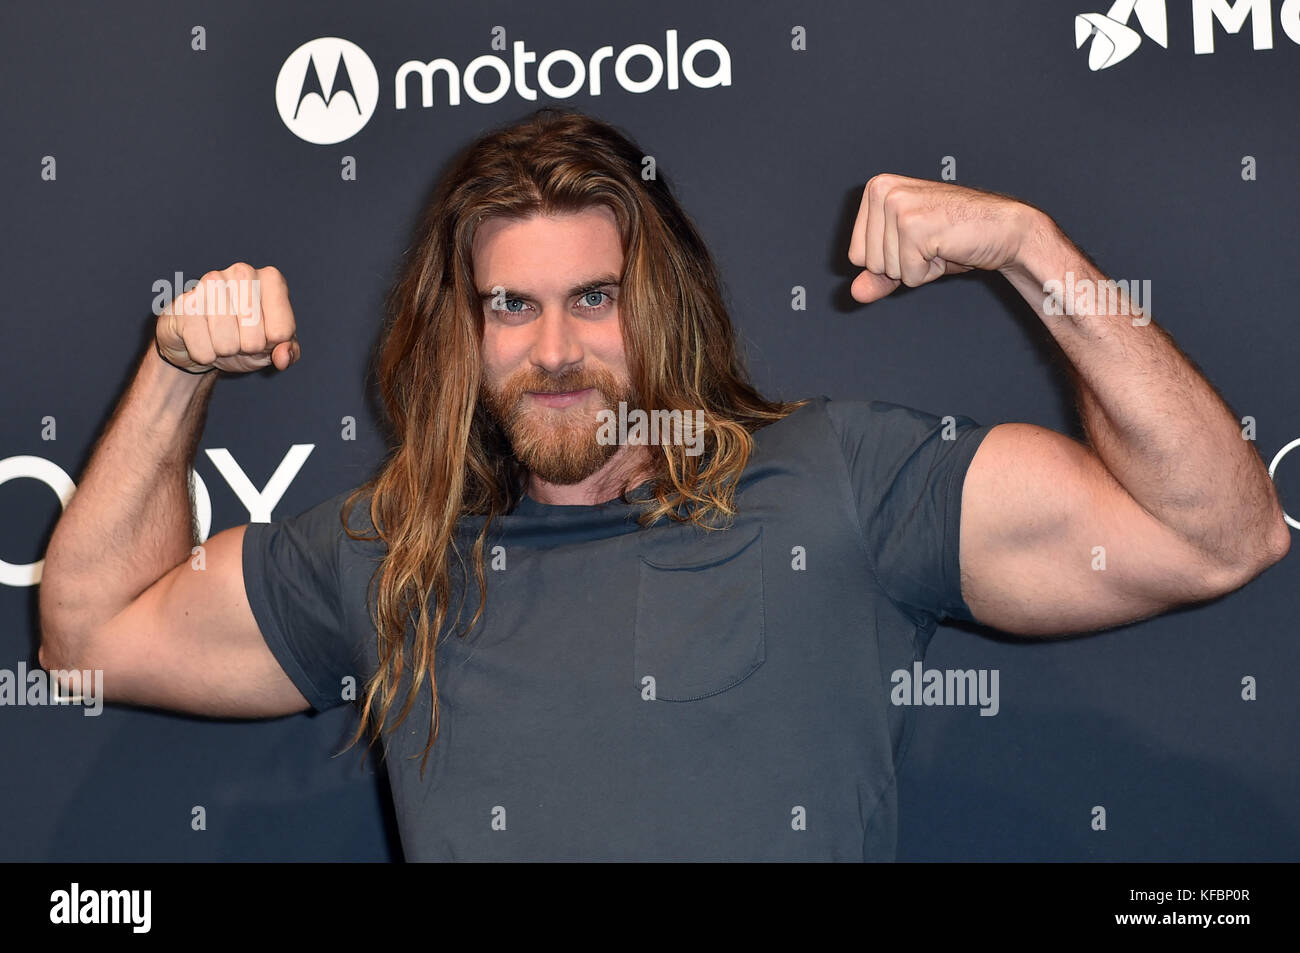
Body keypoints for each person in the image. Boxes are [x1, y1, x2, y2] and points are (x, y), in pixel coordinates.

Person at [37, 107, 1290, 861]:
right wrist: (173, 365)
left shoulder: (836, 478)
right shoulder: (387, 548)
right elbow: (89, 634)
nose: (557, 350)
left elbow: (1216, 536)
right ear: (463, 336)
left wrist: (1030, 246)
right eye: (510, 308)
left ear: (660, 302)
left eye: (594, 297)